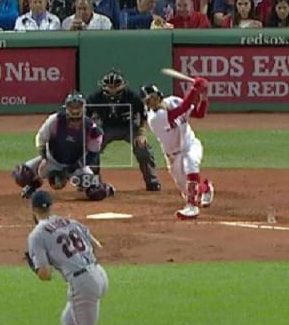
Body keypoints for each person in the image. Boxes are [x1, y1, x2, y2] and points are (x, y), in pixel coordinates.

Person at [24, 189, 110, 325]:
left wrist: (34, 267)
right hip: (99, 274)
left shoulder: (37, 234)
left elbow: (45, 275)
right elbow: (96, 246)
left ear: (33, 209)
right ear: (51, 206)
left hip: (82, 283)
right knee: (68, 321)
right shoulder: (69, 221)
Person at [11, 93, 116, 201]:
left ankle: (105, 187)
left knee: (96, 193)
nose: (75, 110)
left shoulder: (92, 130)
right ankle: (33, 185)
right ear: (67, 107)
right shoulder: (55, 120)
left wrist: (69, 170)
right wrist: (43, 158)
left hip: (76, 166)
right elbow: (41, 138)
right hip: (51, 160)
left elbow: (92, 154)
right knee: (21, 174)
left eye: (78, 106)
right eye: (72, 106)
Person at [141, 81, 214, 220]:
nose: (153, 101)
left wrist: (203, 97)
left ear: (159, 96)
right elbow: (182, 109)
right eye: (149, 100)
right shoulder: (155, 118)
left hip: (190, 144)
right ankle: (205, 188)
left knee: (191, 163)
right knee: (189, 189)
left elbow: (198, 114)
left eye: (154, 97)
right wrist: (194, 89)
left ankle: (191, 207)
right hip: (173, 156)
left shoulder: (173, 100)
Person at [85, 69, 162, 191]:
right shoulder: (95, 98)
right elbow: (86, 118)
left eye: (116, 85)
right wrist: (90, 136)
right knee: (91, 150)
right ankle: (93, 183)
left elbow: (143, 116)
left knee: (143, 148)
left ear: (123, 85)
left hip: (128, 126)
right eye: (109, 86)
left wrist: (141, 134)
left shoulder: (132, 96)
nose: (112, 89)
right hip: (105, 128)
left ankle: (152, 181)